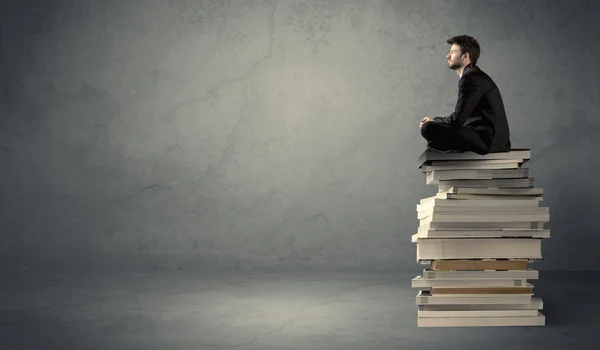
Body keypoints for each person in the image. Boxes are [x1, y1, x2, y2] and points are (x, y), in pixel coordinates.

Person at [419, 35, 511, 155]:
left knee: (428, 128)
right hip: (489, 137)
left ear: (465, 56)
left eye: (453, 52)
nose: (448, 56)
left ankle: (447, 146)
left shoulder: (470, 78)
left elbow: (457, 119)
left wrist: (435, 121)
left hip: (488, 141)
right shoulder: (473, 75)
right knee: (434, 132)